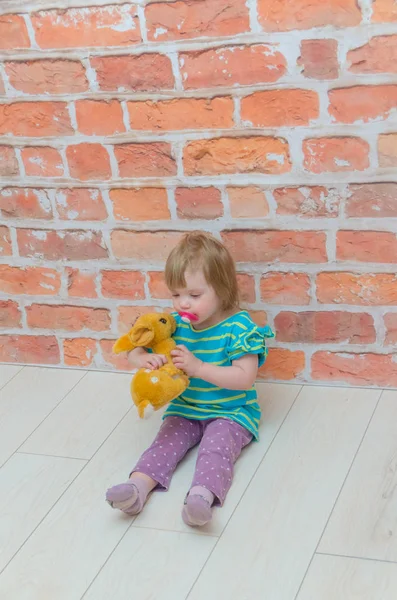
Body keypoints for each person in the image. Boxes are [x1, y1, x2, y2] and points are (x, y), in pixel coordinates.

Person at [106, 231, 274, 527]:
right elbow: (134, 348)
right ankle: (137, 487)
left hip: (231, 412)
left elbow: (245, 378)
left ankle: (200, 497)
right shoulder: (174, 323)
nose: (183, 303)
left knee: (217, 448)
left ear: (222, 290)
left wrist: (198, 368)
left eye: (194, 296)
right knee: (165, 443)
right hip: (186, 408)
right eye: (176, 294)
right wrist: (143, 359)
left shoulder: (239, 327)